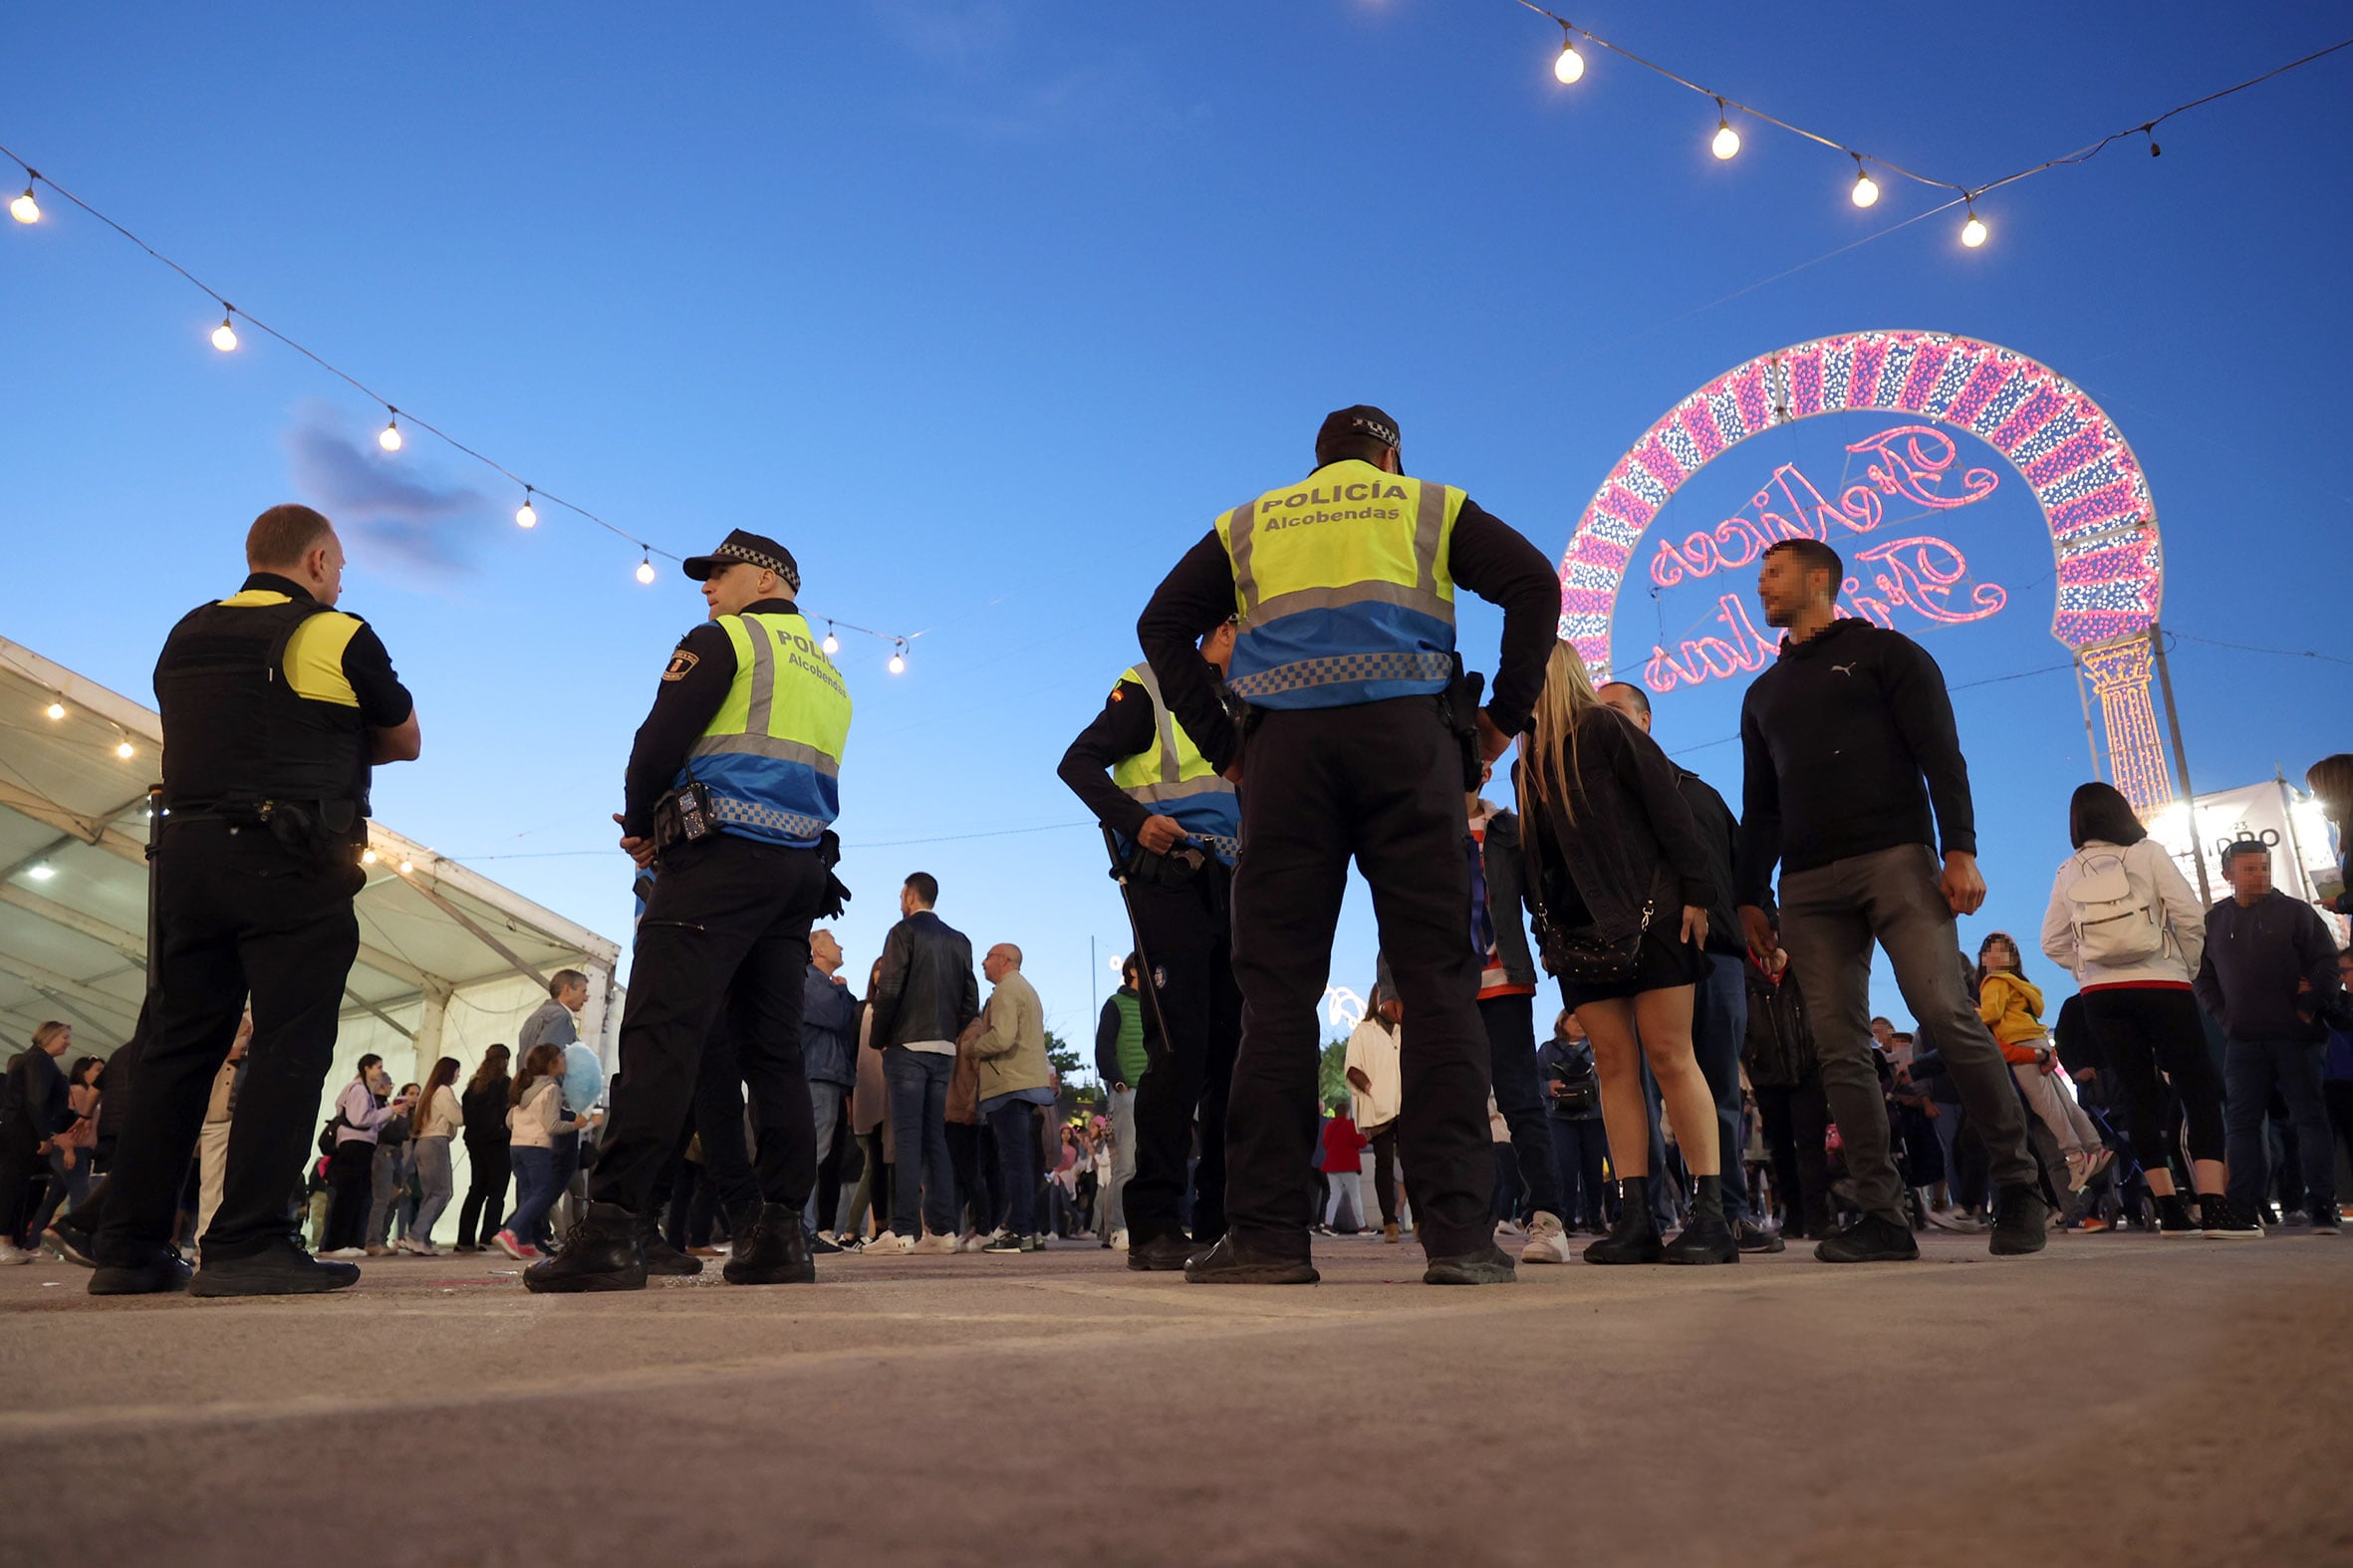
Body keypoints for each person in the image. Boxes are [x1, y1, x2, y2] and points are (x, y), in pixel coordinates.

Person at [1136, 404, 1559, 1287]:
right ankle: (1461, 1243)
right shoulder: (1426, 506)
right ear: (1391, 456)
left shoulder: (1255, 521)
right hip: (1410, 748)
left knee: (1278, 996)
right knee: (1441, 987)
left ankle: (1267, 1239)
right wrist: (1497, 724)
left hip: (1285, 756)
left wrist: (1225, 746)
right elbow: (1533, 583)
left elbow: (1162, 623)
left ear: (1317, 461)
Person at [92, 504, 420, 1297]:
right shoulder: (335, 633)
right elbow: (404, 738)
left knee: (178, 1047)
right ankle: (248, 1242)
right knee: (287, 1043)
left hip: (185, 858)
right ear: (314, 562)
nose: (340, 581)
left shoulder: (188, 631)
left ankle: (129, 1249)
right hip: (289, 857)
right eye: (337, 566)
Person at [525, 530, 851, 1292]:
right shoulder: (830, 676)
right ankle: (778, 1236)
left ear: (768, 579)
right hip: (796, 871)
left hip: (714, 864)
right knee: (774, 1055)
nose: (707, 588)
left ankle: (611, 1230)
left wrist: (642, 827)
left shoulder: (725, 640)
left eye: (720, 573)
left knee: (661, 1035)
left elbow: (657, 742)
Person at [1731, 537, 2046, 1262]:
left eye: (1772, 574)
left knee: (1945, 1012)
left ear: (1820, 580)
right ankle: (1881, 1214)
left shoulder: (1888, 655)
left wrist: (1960, 847)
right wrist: (1751, 893)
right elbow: (1762, 807)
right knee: (1837, 1047)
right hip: (1806, 886)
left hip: (1897, 858)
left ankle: (2020, 1183)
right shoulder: (1761, 694)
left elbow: (1941, 753)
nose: (1761, 587)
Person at [1517, 641, 1734, 1265]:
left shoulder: (1605, 729)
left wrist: (1697, 894)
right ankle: (1636, 1216)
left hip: (1652, 916)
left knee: (1669, 1054)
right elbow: (1543, 861)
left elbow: (1671, 812)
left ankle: (1711, 1215)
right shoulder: (1527, 761)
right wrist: (1546, 932)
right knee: (1614, 1064)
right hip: (1581, 936)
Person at [1057, 625, 1243, 1272]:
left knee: (1232, 1053)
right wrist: (1137, 822)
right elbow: (1077, 762)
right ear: (1225, 628)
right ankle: (1157, 1218)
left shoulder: (1250, 694)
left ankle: (1222, 1218)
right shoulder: (1149, 686)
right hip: (1168, 877)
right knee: (1181, 1046)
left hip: (1236, 881)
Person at [1597, 680, 1780, 1254]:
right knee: (1640, 1084)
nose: (1606, 724)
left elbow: (1744, 867)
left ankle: (1727, 1212)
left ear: (1647, 721)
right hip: (1643, 960)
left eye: (1616, 713)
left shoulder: (1699, 795)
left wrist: (1765, 924)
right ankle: (1646, 1214)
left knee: (1719, 1085)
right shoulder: (1599, 800)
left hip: (1718, 957)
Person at [2194, 839, 2343, 1235]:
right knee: (2243, 1124)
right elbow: (2203, 976)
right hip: (2242, 1040)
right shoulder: (2214, 921)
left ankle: (2322, 1205)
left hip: (2298, 1037)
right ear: (2228, 874)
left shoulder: (2297, 913)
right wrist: (2223, 1016)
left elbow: (2326, 963)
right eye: (2249, 869)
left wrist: (2308, 1006)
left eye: (2263, 867)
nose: (2259, 874)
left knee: (2309, 1119)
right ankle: (2243, 1207)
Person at [1459, 775, 1577, 1264]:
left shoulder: (1509, 829)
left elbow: (1539, 893)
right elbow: (1399, 909)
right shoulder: (1423, 826)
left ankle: (1546, 1220)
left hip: (1506, 981)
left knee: (1521, 1102)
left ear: (1485, 769)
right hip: (1451, 986)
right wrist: (1395, 981)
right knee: (1461, 1108)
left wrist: (1555, 946)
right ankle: (1469, 1225)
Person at [863, 873, 980, 1255]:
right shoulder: (960, 940)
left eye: (901, 894)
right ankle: (943, 1231)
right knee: (935, 1138)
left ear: (911, 896)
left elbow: (890, 988)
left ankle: (902, 1231)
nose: (900, 901)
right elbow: (969, 999)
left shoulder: (902, 933)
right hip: (943, 1048)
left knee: (908, 1137)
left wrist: (880, 1038)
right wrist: (949, 1033)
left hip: (907, 1046)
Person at [1975, 932, 2108, 1194]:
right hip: (2038, 1041)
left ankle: (2078, 1159)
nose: (1992, 957)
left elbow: (1990, 1014)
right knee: (2065, 1103)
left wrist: (1969, 1014)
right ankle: (2096, 1149)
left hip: (2021, 1044)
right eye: (1990, 952)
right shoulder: (2019, 984)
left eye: (1999, 952)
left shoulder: (1994, 981)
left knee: (2046, 1107)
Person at [968, 942, 1052, 1252]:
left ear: (1004, 960)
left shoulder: (1006, 990)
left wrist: (972, 1046)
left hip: (1008, 1085)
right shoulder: (1026, 989)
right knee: (1023, 1162)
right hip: (1026, 1084)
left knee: (1012, 1163)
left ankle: (1020, 1230)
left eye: (989, 956)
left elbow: (1001, 1038)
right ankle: (1031, 1229)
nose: (983, 962)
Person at [518, 970, 599, 1236]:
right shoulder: (560, 1016)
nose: (586, 998)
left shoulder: (536, 1015)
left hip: (529, 1101)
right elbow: (547, 1057)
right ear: (567, 989)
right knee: (558, 1172)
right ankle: (527, 1232)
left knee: (534, 1176)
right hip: (552, 1102)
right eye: (583, 991)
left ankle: (527, 1234)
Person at [497, 1044, 584, 1259]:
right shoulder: (551, 1089)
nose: (565, 1060)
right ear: (551, 1064)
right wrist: (576, 1124)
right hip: (537, 1147)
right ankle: (510, 1231)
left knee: (528, 1194)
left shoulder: (525, 1086)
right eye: (561, 1057)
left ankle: (525, 1241)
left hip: (516, 1146)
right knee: (543, 1192)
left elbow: (509, 1121)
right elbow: (552, 1126)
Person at [0, 1022, 78, 1262]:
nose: (68, 1042)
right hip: (23, 1134)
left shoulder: (34, 1059)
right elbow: (36, 1100)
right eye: (64, 1037)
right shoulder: (39, 1060)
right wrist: (44, 1135)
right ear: (49, 1036)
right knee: (11, 1187)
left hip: (21, 1131)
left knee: (20, 1187)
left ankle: (11, 1241)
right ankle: (3, 1242)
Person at [802, 929, 860, 1246]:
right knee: (813, 1153)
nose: (841, 945)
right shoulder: (812, 981)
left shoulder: (821, 984)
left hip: (824, 1075)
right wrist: (844, 993)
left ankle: (805, 1227)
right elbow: (837, 1016)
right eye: (835, 942)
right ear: (819, 952)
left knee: (816, 1153)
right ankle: (805, 1230)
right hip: (818, 1075)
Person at [320, 1057, 408, 1256]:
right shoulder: (358, 1089)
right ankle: (335, 1244)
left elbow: (371, 1123)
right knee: (348, 1194)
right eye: (378, 1068)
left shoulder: (363, 1091)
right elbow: (360, 1119)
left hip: (363, 1144)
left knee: (356, 1195)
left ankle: (349, 1242)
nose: (380, 1072)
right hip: (354, 1145)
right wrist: (389, 1110)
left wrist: (388, 1114)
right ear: (366, 1069)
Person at [1091, 954, 1150, 1249]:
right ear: (1134, 971)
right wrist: (1119, 1083)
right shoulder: (1115, 1004)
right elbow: (1103, 1049)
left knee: (1145, 1164)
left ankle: (1121, 1229)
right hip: (1128, 1093)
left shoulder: (1155, 1007)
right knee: (1126, 1165)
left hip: (1153, 1093)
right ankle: (1119, 1229)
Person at [1344, 985, 1408, 1242]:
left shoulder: (1405, 1030)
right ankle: (1389, 1222)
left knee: (1413, 1163)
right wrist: (1372, 1089)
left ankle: (1421, 1221)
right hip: (1377, 1107)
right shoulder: (1363, 1030)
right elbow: (1352, 1068)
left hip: (1406, 1105)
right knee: (1384, 1165)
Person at [1537, 1010, 1609, 1232]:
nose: (1580, 1024)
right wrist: (1547, 1088)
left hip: (1593, 1116)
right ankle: (1566, 1218)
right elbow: (1534, 1078)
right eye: (1575, 1020)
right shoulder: (1548, 1050)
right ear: (1562, 1022)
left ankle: (1594, 1218)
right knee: (1565, 1168)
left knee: (1594, 1170)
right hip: (1560, 1117)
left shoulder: (1599, 1045)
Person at [31, 1052, 105, 1247]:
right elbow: (64, 1124)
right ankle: (82, 1241)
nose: (102, 1073)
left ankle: (32, 1240)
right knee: (81, 1194)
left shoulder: (93, 1095)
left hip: (82, 1151)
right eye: (98, 1069)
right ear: (83, 1072)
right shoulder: (76, 1092)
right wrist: (69, 1149)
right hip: (70, 1150)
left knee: (55, 1196)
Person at [192, 1015, 251, 1244]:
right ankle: (206, 1235)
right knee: (212, 1180)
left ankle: (219, 1235)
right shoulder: (217, 1050)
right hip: (217, 1117)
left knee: (227, 1180)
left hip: (235, 1118)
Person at [455, 1046, 513, 1252]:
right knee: (497, 1192)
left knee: (477, 1189)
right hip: (498, 1142)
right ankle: (488, 1238)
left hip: (475, 1142)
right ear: (505, 1061)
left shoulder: (473, 1086)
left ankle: (465, 1238)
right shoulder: (505, 1085)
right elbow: (508, 1114)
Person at [401, 1056, 461, 1254]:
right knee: (442, 1192)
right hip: (436, 1142)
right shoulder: (443, 1091)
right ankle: (416, 1236)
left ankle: (422, 1239)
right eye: (456, 1070)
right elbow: (457, 1117)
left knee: (430, 1194)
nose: (458, 1075)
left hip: (423, 1143)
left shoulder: (429, 1092)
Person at [1319, 1104, 1370, 1231]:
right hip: (1349, 1166)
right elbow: (1361, 1143)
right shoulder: (1350, 1126)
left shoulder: (1329, 1126)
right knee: (1355, 1196)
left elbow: (1325, 1142)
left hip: (1331, 1166)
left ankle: (1328, 1225)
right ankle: (1362, 1226)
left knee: (1334, 1196)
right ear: (1346, 1113)